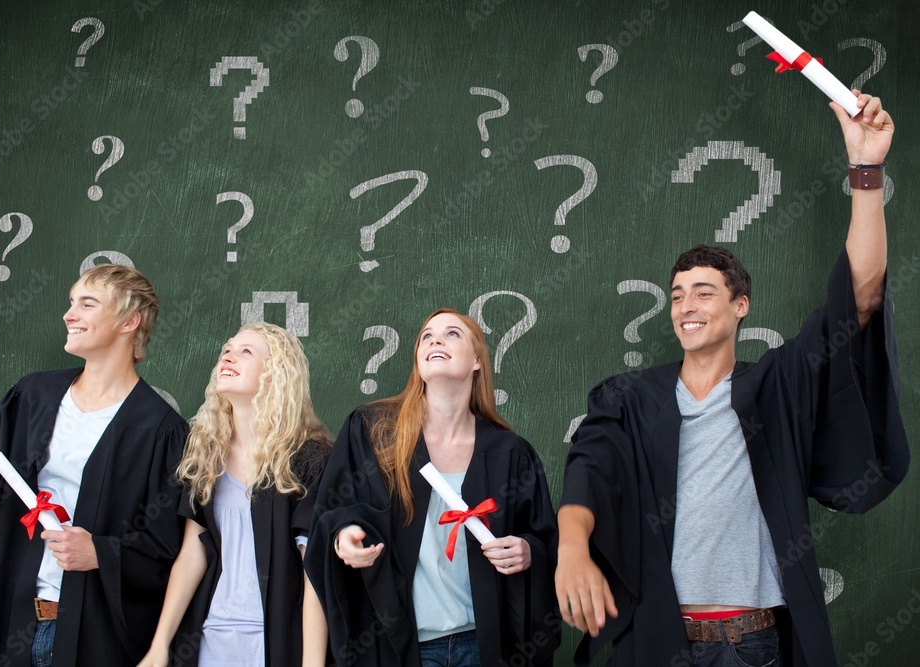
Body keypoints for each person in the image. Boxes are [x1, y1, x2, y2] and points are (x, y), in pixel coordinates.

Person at [556, 92, 909, 667]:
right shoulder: (630, 398)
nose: (686, 305)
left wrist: (866, 170)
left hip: (755, 646)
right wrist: (572, 547)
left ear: (740, 304)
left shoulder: (777, 387)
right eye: (676, 295)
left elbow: (860, 299)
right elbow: (587, 473)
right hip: (658, 642)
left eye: (704, 292)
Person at [0, 264, 189, 666]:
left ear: (130, 321)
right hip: (12, 621)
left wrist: (102, 552)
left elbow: (167, 550)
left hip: (92, 634)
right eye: (71, 302)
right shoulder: (31, 397)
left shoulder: (161, 430)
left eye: (86, 304)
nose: (68, 314)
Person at [306, 308, 561, 667]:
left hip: (482, 645)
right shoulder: (374, 432)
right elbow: (333, 513)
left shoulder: (510, 453)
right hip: (401, 647)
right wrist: (343, 535)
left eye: (452, 334)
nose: (436, 340)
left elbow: (544, 540)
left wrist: (528, 552)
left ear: (476, 360)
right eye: (427, 336)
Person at [136, 322, 332, 667]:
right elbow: (192, 554)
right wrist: (159, 645)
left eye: (246, 352)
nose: (229, 355)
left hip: (275, 644)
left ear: (276, 374)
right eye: (227, 349)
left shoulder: (307, 459)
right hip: (210, 641)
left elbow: (314, 573)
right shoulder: (207, 455)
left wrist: (313, 663)